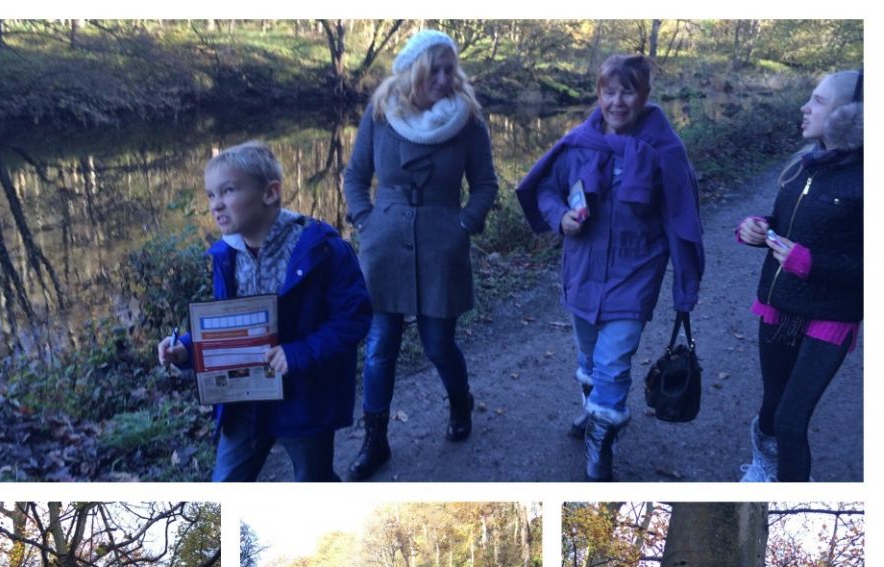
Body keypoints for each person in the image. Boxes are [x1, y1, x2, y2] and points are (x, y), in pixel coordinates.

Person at [517, 54, 704, 481]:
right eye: (609, 91)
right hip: (581, 272)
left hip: (634, 275)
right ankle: (593, 409)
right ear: (599, 94)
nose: (617, 102)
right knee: (588, 356)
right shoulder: (580, 143)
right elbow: (545, 188)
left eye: (628, 91)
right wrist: (559, 216)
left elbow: (682, 222)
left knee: (614, 361)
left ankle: (601, 443)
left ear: (644, 95)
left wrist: (684, 289)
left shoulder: (665, 152)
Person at [158, 141, 372, 481]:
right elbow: (227, 328)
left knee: (312, 481)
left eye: (228, 191)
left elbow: (354, 317)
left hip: (304, 397)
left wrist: (299, 352)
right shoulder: (224, 256)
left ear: (270, 193)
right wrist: (186, 349)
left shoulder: (322, 249)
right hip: (243, 398)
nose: (216, 204)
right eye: (211, 195)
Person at [343, 29, 499, 480]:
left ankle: (460, 401)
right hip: (384, 244)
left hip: (441, 245)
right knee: (379, 346)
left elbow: (485, 184)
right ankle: (375, 441)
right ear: (415, 71)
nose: (447, 77)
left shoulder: (467, 120)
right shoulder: (381, 113)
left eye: (452, 69)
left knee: (437, 344)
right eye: (438, 69)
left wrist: (464, 225)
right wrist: (365, 221)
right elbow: (355, 176)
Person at [735, 71, 863, 483]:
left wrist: (813, 264)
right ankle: (764, 467)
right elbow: (785, 224)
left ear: (851, 115)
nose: (805, 108)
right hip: (779, 305)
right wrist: (755, 228)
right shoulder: (802, 165)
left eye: (819, 101)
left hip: (831, 316)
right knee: (772, 408)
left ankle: (786, 491)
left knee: (791, 421)